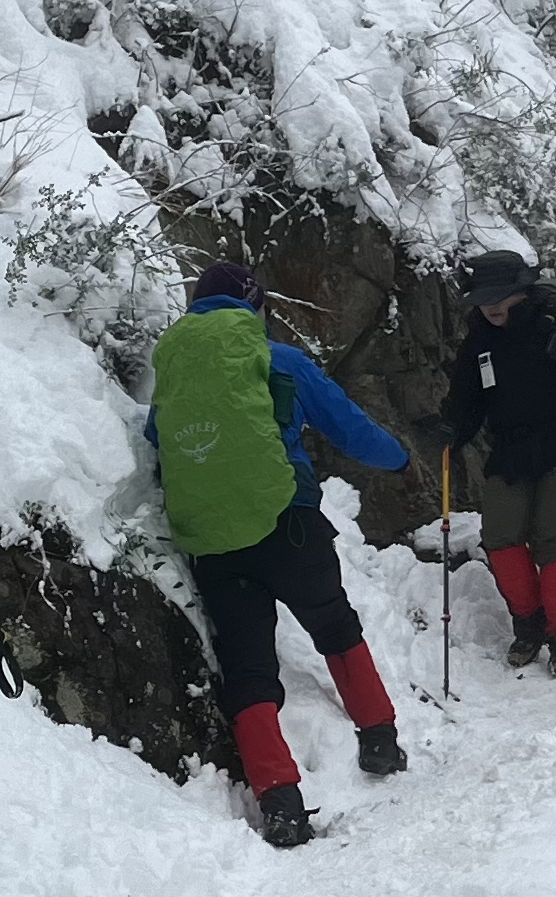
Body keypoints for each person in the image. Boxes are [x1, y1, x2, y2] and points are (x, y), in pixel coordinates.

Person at [147, 262, 411, 850]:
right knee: (334, 625)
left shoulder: (177, 370)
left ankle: (281, 806)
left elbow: (155, 437)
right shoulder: (278, 361)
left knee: (247, 669)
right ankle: (379, 740)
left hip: (213, 542)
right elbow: (346, 424)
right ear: (253, 306)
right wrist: (398, 460)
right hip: (287, 523)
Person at [431, 251, 556, 678]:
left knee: (554, 536)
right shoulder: (479, 339)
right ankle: (528, 622)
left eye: (499, 296)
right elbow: (466, 400)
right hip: (513, 449)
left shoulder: (555, 313)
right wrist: (452, 430)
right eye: (482, 298)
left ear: (522, 290)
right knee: (499, 537)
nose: (491, 305)